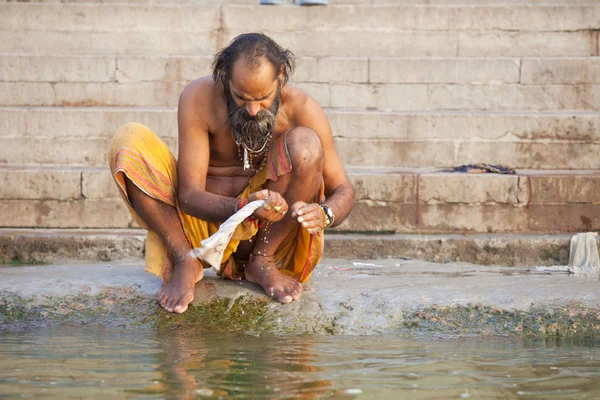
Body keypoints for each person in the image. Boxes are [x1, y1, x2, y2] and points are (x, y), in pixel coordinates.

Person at [109, 33, 354, 314]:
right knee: (129, 141)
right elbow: (188, 195)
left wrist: (325, 213)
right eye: (241, 97)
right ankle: (184, 260)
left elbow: (343, 189)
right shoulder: (199, 97)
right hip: (200, 231)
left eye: (263, 98)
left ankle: (263, 260)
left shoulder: (302, 108)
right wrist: (242, 208)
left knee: (307, 144)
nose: (252, 110)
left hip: (269, 234)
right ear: (225, 77)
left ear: (281, 76)